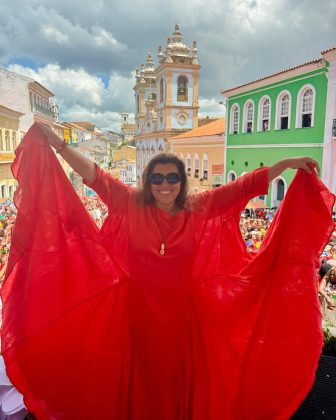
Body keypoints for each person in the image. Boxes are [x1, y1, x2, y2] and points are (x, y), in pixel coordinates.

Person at [1, 122, 334, 420]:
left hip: (183, 321)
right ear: (148, 181)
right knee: (138, 382)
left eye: (172, 178)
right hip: (135, 317)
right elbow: (94, 174)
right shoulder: (129, 202)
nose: (165, 184)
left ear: (181, 182)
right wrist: (59, 144)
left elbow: (245, 185)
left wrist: (288, 164)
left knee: (178, 385)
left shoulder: (201, 207)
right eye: (157, 178)